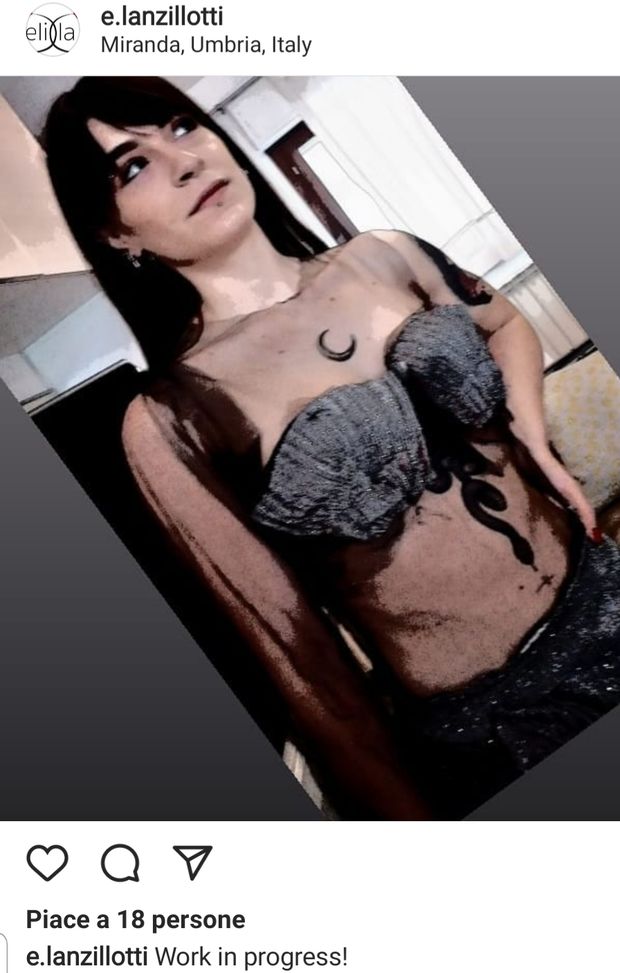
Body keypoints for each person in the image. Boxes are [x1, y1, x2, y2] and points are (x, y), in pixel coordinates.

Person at [42, 76, 620, 820]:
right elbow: (308, 675)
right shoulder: (173, 419)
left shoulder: (387, 256)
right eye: (133, 165)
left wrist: (533, 435)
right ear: (116, 234)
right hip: (504, 726)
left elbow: (504, 323)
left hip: (604, 588)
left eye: (182, 127)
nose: (184, 160)